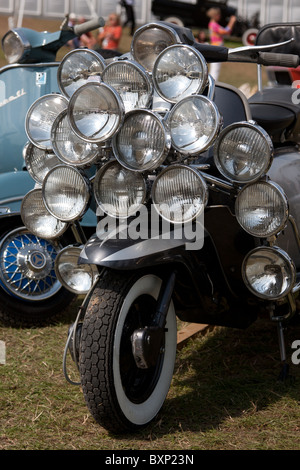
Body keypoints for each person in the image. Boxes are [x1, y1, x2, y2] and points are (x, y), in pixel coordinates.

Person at [207, 8, 236, 81]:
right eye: (218, 14)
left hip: (215, 47)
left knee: (215, 68)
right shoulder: (214, 25)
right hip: (216, 48)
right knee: (215, 69)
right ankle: (214, 83)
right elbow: (226, 31)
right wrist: (232, 21)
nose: (220, 16)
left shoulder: (212, 24)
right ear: (215, 15)